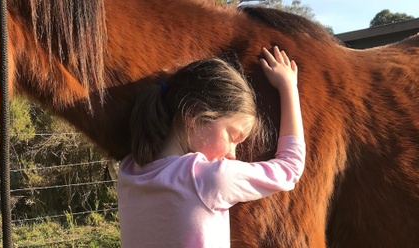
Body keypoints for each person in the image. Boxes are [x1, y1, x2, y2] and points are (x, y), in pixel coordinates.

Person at [117, 46, 305, 248]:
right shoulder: (206, 178)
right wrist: (288, 87)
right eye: (233, 137)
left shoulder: (128, 172)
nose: (233, 154)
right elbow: (290, 168)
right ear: (195, 116)